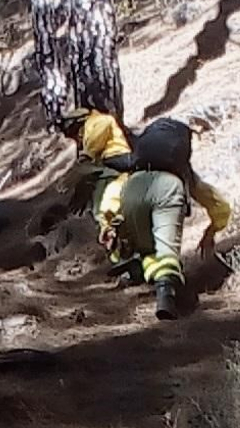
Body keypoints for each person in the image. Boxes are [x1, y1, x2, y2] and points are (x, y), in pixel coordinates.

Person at [58, 108, 231, 321]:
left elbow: (114, 188)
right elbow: (218, 204)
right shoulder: (182, 170)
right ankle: (166, 294)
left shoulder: (132, 161)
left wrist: (108, 223)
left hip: (133, 189)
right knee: (166, 249)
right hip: (169, 188)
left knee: (148, 250)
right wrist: (212, 229)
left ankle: (146, 275)